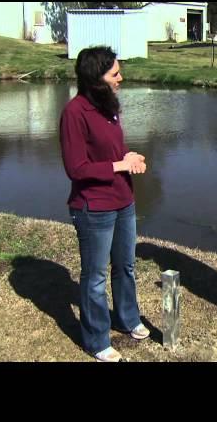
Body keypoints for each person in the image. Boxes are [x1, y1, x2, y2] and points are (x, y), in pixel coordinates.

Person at [59, 46, 150, 362]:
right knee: (95, 275)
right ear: (96, 78)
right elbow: (77, 168)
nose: (121, 78)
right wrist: (118, 166)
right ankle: (96, 339)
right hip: (93, 206)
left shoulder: (109, 107)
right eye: (115, 73)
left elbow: (112, 150)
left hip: (123, 200)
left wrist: (128, 157)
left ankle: (127, 319)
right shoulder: (74, 113)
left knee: (125, 266)